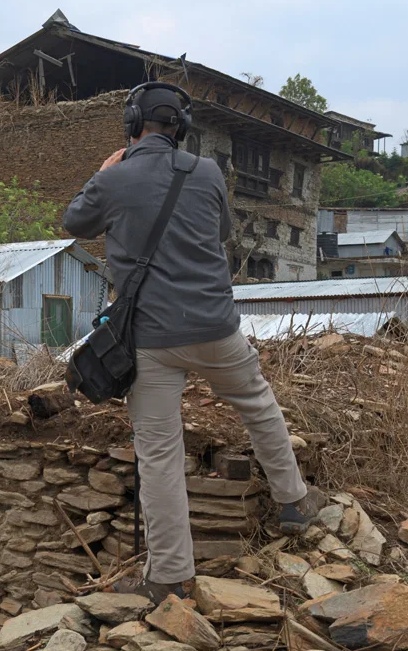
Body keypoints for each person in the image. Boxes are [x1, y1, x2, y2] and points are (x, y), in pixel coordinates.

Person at [62, 85, 317, 602]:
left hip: (151, 341)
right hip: (217, 329)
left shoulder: (114, 179)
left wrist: (107, 172)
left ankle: (172, 576)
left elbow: (73, 222)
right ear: (181, 126)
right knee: (259, 404)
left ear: (131, 122)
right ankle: (294, 503)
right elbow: (219, 232)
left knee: (158, 453)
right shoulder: (207, 172)